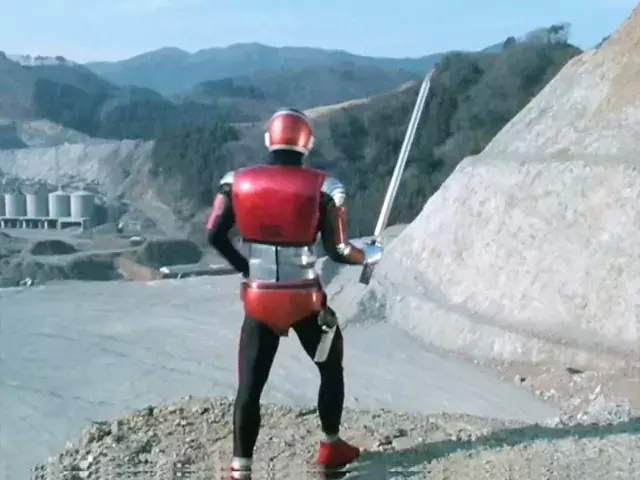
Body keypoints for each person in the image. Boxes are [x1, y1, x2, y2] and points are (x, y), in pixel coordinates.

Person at [206, 107, 384, 479]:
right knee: (330, 369)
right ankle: (330, 446)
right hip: (305, 300)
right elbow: (339, 250)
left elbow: (214, 234)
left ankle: (241, 469)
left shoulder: (234, 182)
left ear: (269, 139)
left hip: (259, 300)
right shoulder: (326, 187)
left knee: (249, 388)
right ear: (307, 144)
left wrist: (246, 268)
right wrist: (369, 253)